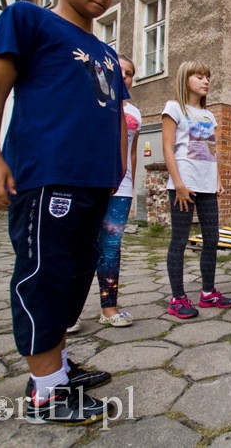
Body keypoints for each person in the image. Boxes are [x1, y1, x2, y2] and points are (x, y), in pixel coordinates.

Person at [0, 0, 124, 425]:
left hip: (94, 183)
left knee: (76, 276)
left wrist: (117, 167)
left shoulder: (103, 49)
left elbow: (116, 112)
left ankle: (55, 367)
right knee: (45, 276)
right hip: (47, 177)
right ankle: (45, 394)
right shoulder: (27, 19)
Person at [162, 60, 231, 319]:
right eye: (200, 77)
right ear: (185, 79)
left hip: (206, 184)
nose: (206, 81)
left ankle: (208, 293)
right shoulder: (174, 108)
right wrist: (179, 184)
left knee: (212, 239)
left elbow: (211, 151)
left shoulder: (208, 115)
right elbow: (168, 149)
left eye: (208, 77)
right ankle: (177, 298)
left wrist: (217, 179)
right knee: (179, 241)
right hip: (184, 184)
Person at [91, 55, 141, 327]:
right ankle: (68, 312)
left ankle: (108, 307)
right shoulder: (92, 103)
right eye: (119, 71)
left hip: (121, 187)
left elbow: (132, 153)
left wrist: (130, 187)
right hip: (90, 183)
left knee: (111, 247)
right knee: (80, 246)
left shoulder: (135, 114)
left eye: (129, 73)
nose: (124, 76)